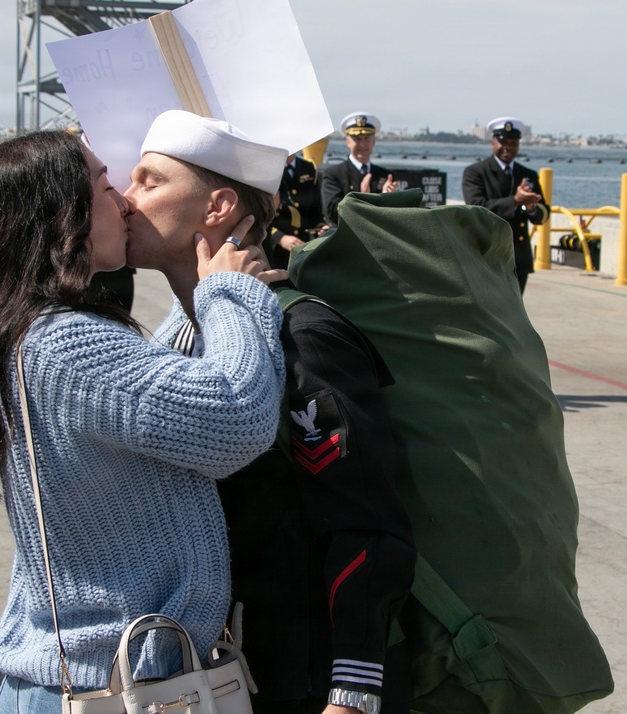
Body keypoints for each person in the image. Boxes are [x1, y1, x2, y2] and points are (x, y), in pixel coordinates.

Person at [0, 129, 287, 714]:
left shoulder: (34, 329)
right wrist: (229, 293)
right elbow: (234, 417)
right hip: (108, 687)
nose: (124, 201)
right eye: (105, 185)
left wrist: (198, 291)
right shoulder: (64, 345)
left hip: (89, 679)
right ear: (61, 215)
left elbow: (155, 386)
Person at [124, 109, 416, 714]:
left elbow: (365, 519)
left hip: (306, 677)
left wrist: (352, 692)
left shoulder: (300, 333)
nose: (127, 199)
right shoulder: (186, 331)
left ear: (218, 207)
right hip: (231, 663)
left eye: (149, 181)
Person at [462, 117, 550, 293]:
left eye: (512, 143)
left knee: (515, 309)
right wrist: (515, 200)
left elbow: (543, 215)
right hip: (487, 255)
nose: (507, 147)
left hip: (518, 256)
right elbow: (476, 207)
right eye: (502, 142)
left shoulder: (527, 175)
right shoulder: (476, 173)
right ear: (492, 143)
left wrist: (530, 206)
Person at [321, 113, 397, 227]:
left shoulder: (385, 175)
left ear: (374, 141)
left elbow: (392, 217)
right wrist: (362, 200)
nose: (362, 144)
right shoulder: (333, 174)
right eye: (357, 139)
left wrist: (387, 198)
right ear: (348, 142)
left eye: (367, 139)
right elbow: (333, 213)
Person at [263, 153, 325, 270]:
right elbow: (259, 213)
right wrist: (278, 237)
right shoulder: (265, 169)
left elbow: (315, 210)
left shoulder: (308, 167)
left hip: (303, 249)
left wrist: (321, 227)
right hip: (275, 251)